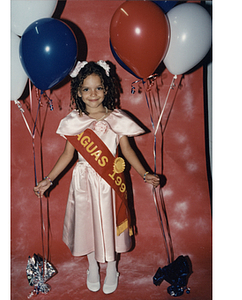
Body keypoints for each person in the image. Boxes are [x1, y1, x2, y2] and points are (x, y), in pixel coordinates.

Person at [33, 60, 159, 294]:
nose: (93, 94)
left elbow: (129, 150)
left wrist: (145, 173)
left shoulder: (117, 118)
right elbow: (67, 155)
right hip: (84, 183)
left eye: (99, 88)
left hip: (111, 182)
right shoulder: (74, 121)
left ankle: (112, 266)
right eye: (87, 89)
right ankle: (92, 265)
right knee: (87, 223)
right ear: (78, 92)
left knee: (111, 223)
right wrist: (48, 180)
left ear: (107, 89)